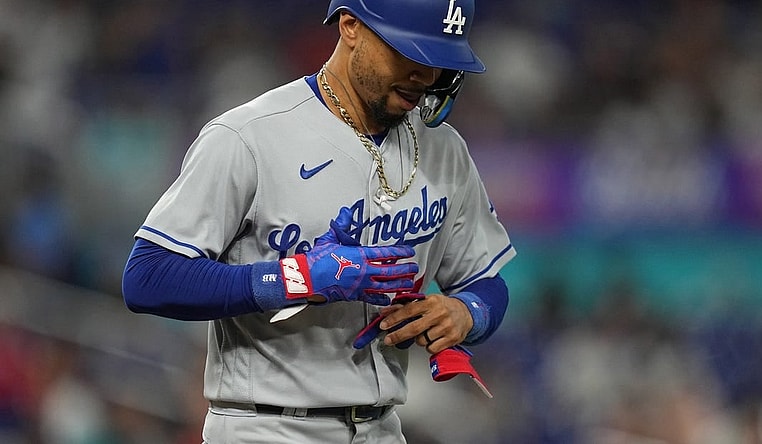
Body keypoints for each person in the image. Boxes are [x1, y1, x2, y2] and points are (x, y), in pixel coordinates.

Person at [121, 0, 516, 442]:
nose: (426, 77)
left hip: (383, 427)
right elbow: (147, 277)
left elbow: (486, 281)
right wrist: (297, 278)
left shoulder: (445, 150)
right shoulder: (249, 137)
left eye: (440, 61)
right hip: (267, 425)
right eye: (411, 53)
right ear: (351, 26)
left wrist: (466, 313)